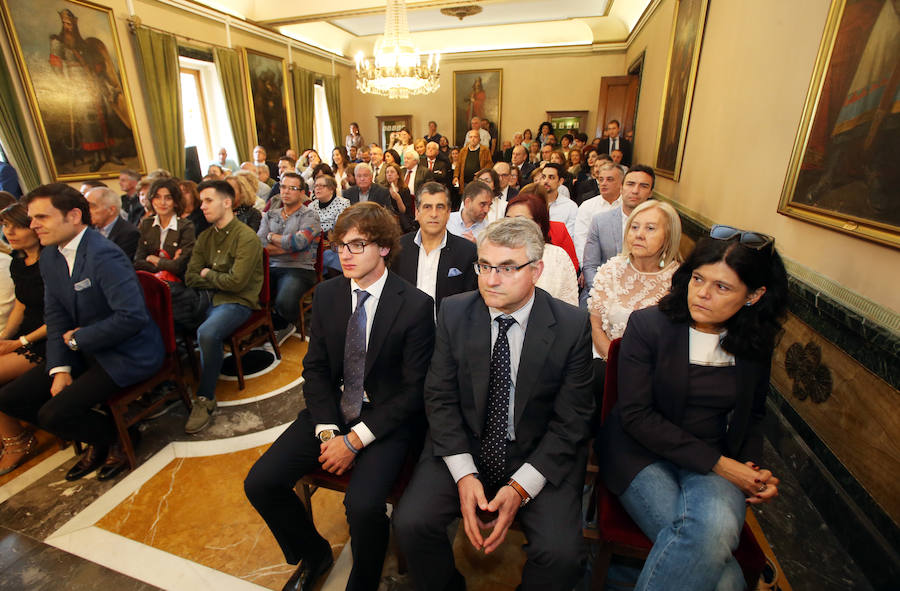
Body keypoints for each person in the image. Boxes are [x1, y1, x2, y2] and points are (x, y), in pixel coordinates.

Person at [394, 216, 594, 591]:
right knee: (411, 524)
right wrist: (464, 474)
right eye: (484, 266)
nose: (490, 279)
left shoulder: (570, 325)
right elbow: (439, 396)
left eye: (507, 268)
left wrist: (520, 488)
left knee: (561, 556)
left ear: (536, 270)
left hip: (536, 452)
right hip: (465, 444)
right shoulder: (455, 311)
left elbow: (573, 419)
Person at [245, 202, 435, 591]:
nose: (344, 255)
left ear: (383, 248)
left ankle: (363, 581)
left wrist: (356, 439)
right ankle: (314, 554)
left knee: (363, 506)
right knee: (260, 482)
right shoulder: (329, 294)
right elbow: (315, 368)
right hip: (333, 410)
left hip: (386, 419)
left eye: (357, 245)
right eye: (340, 246)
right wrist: (329, 429)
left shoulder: (415, 306)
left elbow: (415, 391)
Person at [598, 226, 789, 591]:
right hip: (641, 454)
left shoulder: (754, 343)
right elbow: (637, 417)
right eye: (698, 278)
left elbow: (754, 415)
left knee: (709, 537)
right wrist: (724, 467)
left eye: (722, 287)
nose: (702, 293)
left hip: (715, 457)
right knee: (722, 567)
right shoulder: (649, 326)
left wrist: (752, 469)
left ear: (754, 295)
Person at [0, 184, 163, 481]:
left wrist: (79, 338)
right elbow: (56, 313)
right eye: (32, 218)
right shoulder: (50, 256)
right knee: (11, 397)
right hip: (83, 350)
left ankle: (116, 435)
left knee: (53, 414)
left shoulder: (104, 255)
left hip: (125, 352)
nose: (33, 225)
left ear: (74, 216)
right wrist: (59, 366)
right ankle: (99, 436)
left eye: (41, 218)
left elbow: (132, 317)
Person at [184, 180, 263, 434]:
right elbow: (190, 275)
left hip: (236, 302)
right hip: (205, 299)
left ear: (226, 202)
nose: (202, 207)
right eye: (201, 201)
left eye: (208, 201)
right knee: (159, 319)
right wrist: (215, 276)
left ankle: (205, 397)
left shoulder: (246, 237)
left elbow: (237, 283)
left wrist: (208, 273)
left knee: (207, 333)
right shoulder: (206, 237)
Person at [587, 200, 681, 387]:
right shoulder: (611, 269)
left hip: (654, 374)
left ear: (668, 236)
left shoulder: (678, 281)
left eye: (650, 228)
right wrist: (615, 363)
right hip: (605, 364)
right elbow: (596, 325)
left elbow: (675, 343)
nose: (639, 235)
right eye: (634, 227)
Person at [0, 203, 45, 475]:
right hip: (25, 334)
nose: (9, 232)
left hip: (46, 339)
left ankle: (18, 441)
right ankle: (11, 438)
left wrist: (19, 342)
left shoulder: (52, 260)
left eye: (16, 225)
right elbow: (20, 304)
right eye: (5, 226)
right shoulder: (19, 262)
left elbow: (60, 316)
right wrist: (4, 337)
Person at [390, 182, 477, 313]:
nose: (434, 214)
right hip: (406, 329)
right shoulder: (399, 248)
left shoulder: (467, 252)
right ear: (417, 212)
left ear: (448, 213)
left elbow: (471, 304)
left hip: (447, 330)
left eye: (440, 207)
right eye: (427, 207)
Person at [582, 164, 655, 306]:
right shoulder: (600, 221)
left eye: (643, 186)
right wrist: (605, 295)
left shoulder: (659, 226)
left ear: (651, 193)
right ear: (621, 188)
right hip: (601, 292)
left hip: (643, 295)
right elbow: (590, 266)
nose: (635, 191)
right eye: (630, 184)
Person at [258, 173, 321, 333]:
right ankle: (270, 325)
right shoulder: (271, 215)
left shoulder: (310, 215)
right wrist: (290, 247)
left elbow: (299, 242)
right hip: (270, 267)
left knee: (284, 302)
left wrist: (272, 236)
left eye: (292, 188)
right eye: (283, 187)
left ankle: (287, 325)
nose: (286, 192)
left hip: (299, 268)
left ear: (302, 193)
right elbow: (260, 244)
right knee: (248, 293)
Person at [505, 192, 578, 306]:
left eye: (520, 220)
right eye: (508, 219)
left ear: (538, 224)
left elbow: (569, 305)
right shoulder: (498, 254)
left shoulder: (557, 256)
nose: (512, 225)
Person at [133, 178, 196, 282]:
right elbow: (138, 261)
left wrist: (155, 260)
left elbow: (179, 267)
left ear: (175, 202)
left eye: (168, 198)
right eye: (157, 197)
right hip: (151, 281)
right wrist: (167, 264)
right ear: (151, 200)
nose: (162, 203)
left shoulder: (186, 227)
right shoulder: (146, 224)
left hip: (176, 283)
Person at [84, 186, 140, 260]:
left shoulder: (129, 234)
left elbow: (117, 263)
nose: (87, 211)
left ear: (111, 210)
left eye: (92, 206)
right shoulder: (86, 229)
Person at [383, 163, 416, 233]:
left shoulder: (404, 189)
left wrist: (398, 198)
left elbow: (403, 211)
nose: (389, 174)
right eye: (387, 172)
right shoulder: (383, 189)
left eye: (392, 172)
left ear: (398, 175)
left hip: (402, 216)